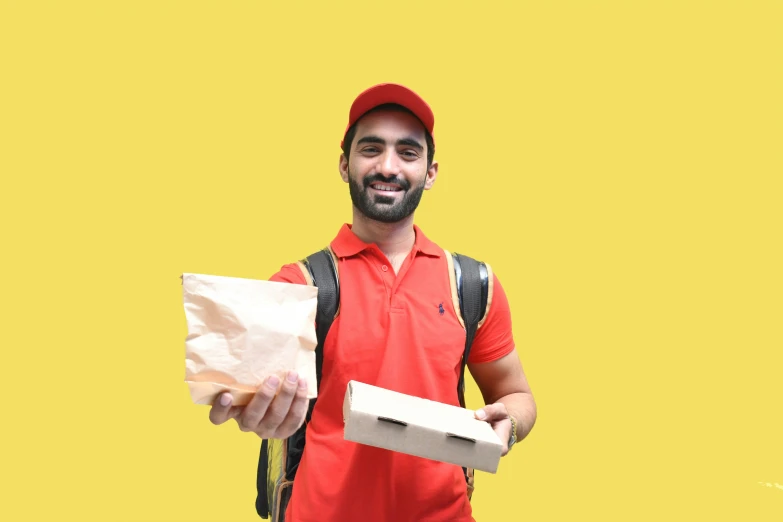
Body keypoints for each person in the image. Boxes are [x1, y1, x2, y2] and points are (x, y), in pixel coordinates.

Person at [208, 83, 537, 521]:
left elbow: (516, 394)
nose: (388, 166)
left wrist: (509, 425)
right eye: (371, 148)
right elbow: (248, 397)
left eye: (407, 152)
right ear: (345, 165)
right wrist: (257, 415)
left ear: (431, 172)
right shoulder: (297, 286)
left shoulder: (471, 285)